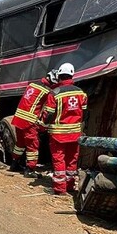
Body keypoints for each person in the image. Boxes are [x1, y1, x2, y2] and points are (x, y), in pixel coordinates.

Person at [43, 63, 88, 195]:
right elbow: (84, 114)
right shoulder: (81, 93)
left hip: (59, 133)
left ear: (59, 76)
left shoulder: (55, 93)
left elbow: (49, 113)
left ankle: (59, 188)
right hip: (75, 133)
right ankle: (69, 186)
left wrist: (45, 122)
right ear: (72, 75)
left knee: (59, 159)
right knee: (72, 159)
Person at [10, 70, 58, 177]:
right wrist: (44, 124)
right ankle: (30, 169)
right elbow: (47, 110)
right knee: (33, 145)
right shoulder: (48, 91)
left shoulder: (32, 84)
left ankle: (14, 164)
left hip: (19, 117)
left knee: (20, 143)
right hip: (29, 120)